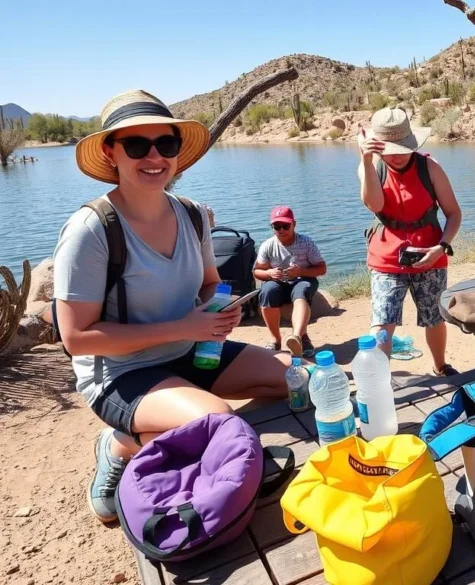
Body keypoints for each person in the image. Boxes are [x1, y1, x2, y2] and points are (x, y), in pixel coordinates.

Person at [53, 90, 290, 523]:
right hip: (124, 374)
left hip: (190, 352)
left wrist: (218, 310)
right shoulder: (92, 230)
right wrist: (185, 327)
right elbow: (76, 338)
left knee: (297, 379)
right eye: (136, 145)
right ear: (111, 152)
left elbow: (209, 284)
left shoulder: (192, 213)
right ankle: (120, 444)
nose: (154, 156)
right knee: (220, 424)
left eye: (166, 143)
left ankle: (184, 418)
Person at [357, 107, 463, 377]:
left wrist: (441, 247)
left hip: (431, 254)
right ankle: (379, 379)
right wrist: (367, 161)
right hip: (386, 258)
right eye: (390, 148)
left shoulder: (430, 167)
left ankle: (440, 365)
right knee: (382, 322)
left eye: (403, 147)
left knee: (434, 317)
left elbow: (453, 213)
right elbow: (374, 204)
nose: (397, 155)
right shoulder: (372, 167)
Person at [253, 206, 327, 356]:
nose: (281, 230)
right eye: (277, 226)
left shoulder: (306, 243)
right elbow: (257, 271)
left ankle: (298, 338)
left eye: (286, 226)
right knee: (267, 292)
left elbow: (322, 269)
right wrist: (269, 273)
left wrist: (301, 271)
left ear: (294, 224)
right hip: (278, 282)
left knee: (302, 292)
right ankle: (276, 340)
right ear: (272, 227)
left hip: (303, 279)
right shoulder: (268, 245)